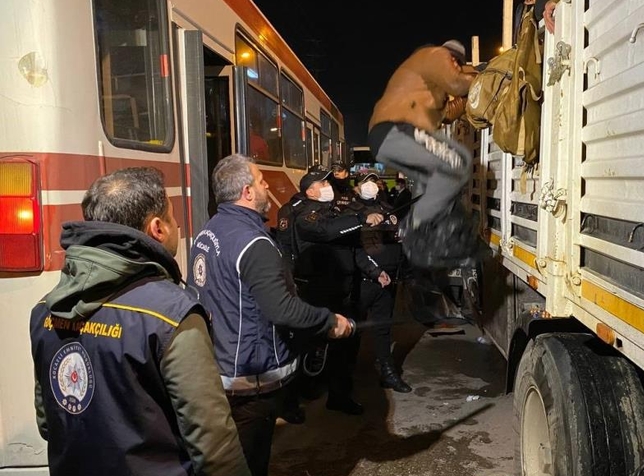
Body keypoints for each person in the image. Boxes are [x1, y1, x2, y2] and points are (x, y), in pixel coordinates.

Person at [30, 167, 251, 476]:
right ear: (157, 228)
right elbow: (214, 445)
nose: (176, 227)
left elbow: (47, 421)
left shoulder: (45, 310)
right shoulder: (172, 315)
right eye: (173, 218)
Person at [189, 154, 353, 476]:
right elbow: (282, 308)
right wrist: (329, 321)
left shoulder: (209, 231)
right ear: (247, 192)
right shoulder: (253, 243)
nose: (267, 188)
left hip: (220, 369)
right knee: (250, 464)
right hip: (250, 382)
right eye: (262, 182)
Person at [368, 39, 479, 269]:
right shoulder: (436, 55)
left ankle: (429, 245)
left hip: (389, 137)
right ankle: (414, 227)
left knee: (437, 185)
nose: (457, 68)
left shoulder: (430, 88)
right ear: (454, 59)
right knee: (458, 163)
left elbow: (448, 113)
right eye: (457, 64)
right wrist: (477, 76)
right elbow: (457, 83)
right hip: (397, 128)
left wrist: (466, 97)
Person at [292, 167, 390, 415]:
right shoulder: (306, 213)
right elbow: (325, 230)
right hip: (319, 291)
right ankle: (297, 396)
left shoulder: (332, 211)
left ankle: (339, 395)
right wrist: (360, 219)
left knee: (345, 346)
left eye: (329, 183)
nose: (329, 187)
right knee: (311, 342)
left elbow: (353, 249)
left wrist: (375, 272)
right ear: (310, 190)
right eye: (323, 184)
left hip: (343, 290)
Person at [349, 173, 412, 392]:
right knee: (353, 330)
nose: (370, 185)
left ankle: (388, 372)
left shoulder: (387, 208)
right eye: (365, 181)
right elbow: (354, 249)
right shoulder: (352, 211)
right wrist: (374, 271)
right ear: (358, 186)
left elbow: (396, 237)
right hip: (363, 280)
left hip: (387, 281)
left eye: (374, 181)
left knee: (383, 329)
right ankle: (345, 379)